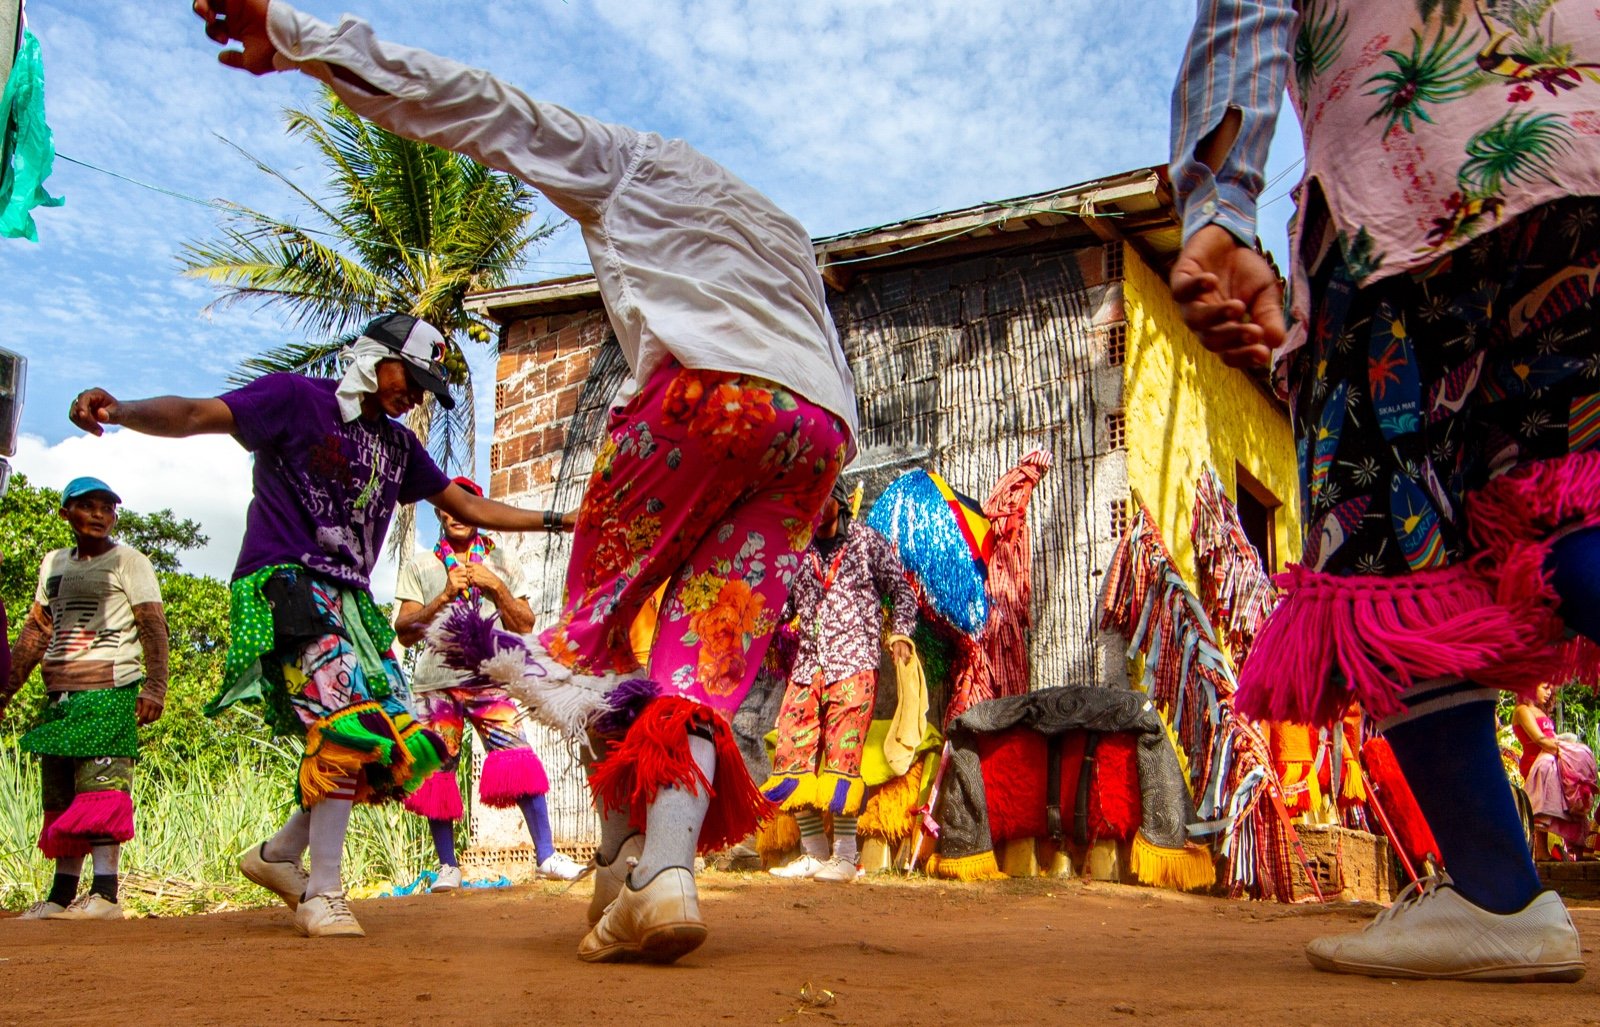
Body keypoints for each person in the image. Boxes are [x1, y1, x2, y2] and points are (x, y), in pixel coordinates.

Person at [192, 0, 857, 963]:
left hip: (704, 401)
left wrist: (299, 38)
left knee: (581, 657)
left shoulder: (637, 161)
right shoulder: (785, 230)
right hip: (817, 431)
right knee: (693, 670)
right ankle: (655, 875)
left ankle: (625, 868)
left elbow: (478, 107)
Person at [1170, 0, 1600, 981]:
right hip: (1579, 130)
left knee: (1382, 542)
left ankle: (1494, 890)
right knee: (1572, 497)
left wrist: (1218, 203)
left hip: (1408, 168)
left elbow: (1248, 12)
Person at [67, 313, 554, 937]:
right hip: (287, 584)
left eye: (425, 387)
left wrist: (556, 518)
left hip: (351, 601)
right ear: (373, 358)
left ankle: (275, 856)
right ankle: (325, 892)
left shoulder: (399, 446)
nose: (414, 395)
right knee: (346, 724)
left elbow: (468, 505)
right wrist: (120, 409)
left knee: (399, 748)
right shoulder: (296, 399)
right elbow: (193, 415)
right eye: (410, 377)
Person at [394, 476, 584, 887]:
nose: (457, 514)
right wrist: (444, 596)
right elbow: (405, 631)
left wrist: (496, 587)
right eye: (450, 507)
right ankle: (448, 867)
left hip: (489, 679)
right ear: (441, 512)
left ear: (476, 511)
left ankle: (546, 856)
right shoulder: (420, 564)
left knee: (518, 758)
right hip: (435, 685)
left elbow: (526, 625)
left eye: (467, 505)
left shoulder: (503, 562)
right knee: (437, 771)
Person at [1, 477, 168, 921]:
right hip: (59, 692)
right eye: (87, 506)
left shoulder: (128, 561)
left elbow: (151, 623)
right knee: (60, 797)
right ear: (65, 514)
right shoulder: (54, 563)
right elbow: (37, 631)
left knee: (102, 790)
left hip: (110, 685)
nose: (98, 514)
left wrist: (155, 687)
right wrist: (4, 689)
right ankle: (59, 896)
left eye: (107, 507)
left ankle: (106, 895)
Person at [763, 480, 915, 883]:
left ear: (840, 500)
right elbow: (784, 608)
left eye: (822, 496)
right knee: (791, 750)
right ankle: (813, 853)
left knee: (842, 755)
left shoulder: (867, 543)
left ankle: (846, 857)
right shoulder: (800, 552)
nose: (814, 505)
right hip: (809, 664)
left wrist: (900, 633)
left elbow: (902, 592)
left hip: (855, 662)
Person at [1513, 683, 1597, 861]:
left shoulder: (1540, 711)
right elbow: (1540, 740)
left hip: (1553, 760)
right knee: (1542, 805)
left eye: (1551, 688)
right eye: (1545, 687)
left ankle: (1579, 849)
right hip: (1537, 764)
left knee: (1572, 797)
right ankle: (1542, 851)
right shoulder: (1522, 710)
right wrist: (1568, 751)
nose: (1549, 692)